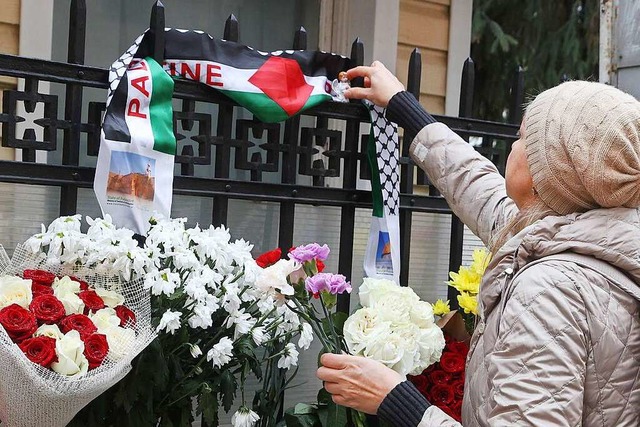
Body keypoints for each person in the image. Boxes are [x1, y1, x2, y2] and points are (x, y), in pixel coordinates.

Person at [317, 61, 640, 426]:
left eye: (522, 140)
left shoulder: (550, 290)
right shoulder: (594, 243)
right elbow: (477, 187)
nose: (513, 149)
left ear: (547, 175)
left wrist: (397, 402)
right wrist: (402, 106)